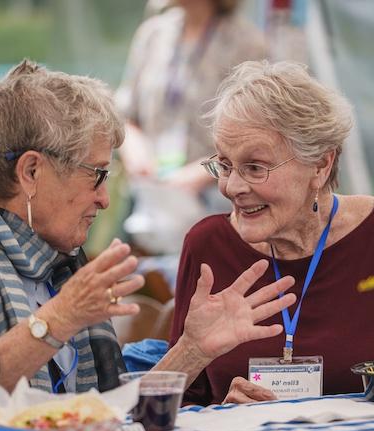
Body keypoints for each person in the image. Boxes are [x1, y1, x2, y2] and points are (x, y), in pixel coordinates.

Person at [0, 60, 297, 426]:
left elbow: (103, 420)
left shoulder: (52, 260)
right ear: (32, 172)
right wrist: (59, 318)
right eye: (97, 173)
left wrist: (193, 349)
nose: (102, 197)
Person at [168, 60, 374, 406]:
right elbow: (179, 407)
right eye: (224, 164)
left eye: (255, 167)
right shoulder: (208, 246)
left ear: (320, 165)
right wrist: (220, 411)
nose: (232, 186)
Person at [114, 0, 267, 253]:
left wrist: (200, 174)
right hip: (149, 196)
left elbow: (257, 134)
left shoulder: (247, 42)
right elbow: (124, 114)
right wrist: (135, 152)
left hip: (214, 199)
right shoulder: (153, 33)